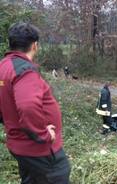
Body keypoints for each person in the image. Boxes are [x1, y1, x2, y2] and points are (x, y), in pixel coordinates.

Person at [0, 22, 70, 184]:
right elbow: (28, 106)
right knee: (59, 174)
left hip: (20, 145)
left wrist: (9, 123)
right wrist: (42, 135)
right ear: (35, 45)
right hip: (38, 149)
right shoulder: (24, 70)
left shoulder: (3, 67)